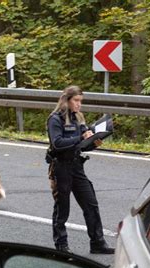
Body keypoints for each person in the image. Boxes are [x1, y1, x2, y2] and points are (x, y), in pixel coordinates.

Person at [46, 85, 114, 254]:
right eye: (76, 101)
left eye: (80, 101)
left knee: (91, 204)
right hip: (61, 166)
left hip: (77, 166)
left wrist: (94, 142)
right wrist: (80, 137)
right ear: (67, 100)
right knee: (63, 208)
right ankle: (61, 245)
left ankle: (97, 243)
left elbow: (82, 145)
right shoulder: (55, 119)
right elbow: (57, 143)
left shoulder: (78, 118)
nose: (79, 104)